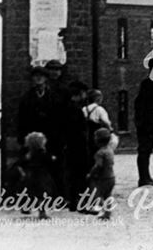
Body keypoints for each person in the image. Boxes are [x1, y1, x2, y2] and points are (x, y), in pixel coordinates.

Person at [17, 65, 68, 198]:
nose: (38, 79)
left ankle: (53, 198)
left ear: (46, 79)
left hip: (50, 139)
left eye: (41, 76)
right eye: (36, 77)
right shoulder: (27, 97)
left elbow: (60, 119)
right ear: (33, 79)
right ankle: (27, 200)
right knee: (30, 170)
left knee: (51, 170)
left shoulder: (54, 97)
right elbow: (20, 120)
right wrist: (23, 140)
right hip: (32, 140)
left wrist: (59, 140)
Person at [9, 131, 57, 219]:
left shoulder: (28, 154)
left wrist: (23, 173)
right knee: (42, 195)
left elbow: (19, 163)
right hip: (41, 175)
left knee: (29, 193)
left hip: (30, 174)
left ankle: (26, 207)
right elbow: (49, 159)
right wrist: (53, 158)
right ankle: (42, 213)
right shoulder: (42, 152)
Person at [134, 48, 153, 187]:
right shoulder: (148, 84)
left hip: (148, 124)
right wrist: (144, 123)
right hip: (145, 125)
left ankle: (146, 177)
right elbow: (141, 105)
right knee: (144, 150)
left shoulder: (151, 84)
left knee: (146, 150)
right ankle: (143, 178)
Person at [64, 80, 92, 210]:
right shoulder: (76, 109)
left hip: (69, 146)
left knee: (72, 175)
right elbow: (79, 131)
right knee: (81, 175)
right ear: (81, 93)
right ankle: (82, 203)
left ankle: (73, 202)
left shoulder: (67, 107)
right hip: (78, 147)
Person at [85, 127, 116, 220]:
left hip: (102, 178)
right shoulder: (110, 150)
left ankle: (103, 209)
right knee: (108, 195)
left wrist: (91, 174)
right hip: (111, 177)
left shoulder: (100, 153)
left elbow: (98, 165)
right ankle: (107, 214)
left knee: (96, 195)